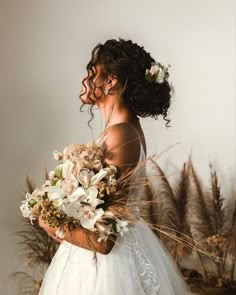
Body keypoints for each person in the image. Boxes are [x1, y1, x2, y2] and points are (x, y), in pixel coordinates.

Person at [38, 38, 190, 294]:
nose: (83, 79)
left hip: (109, 271)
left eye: (91, 71)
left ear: (111, 81)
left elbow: (104, 241)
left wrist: (51, 223)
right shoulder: (121, 130)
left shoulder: (121, 134)